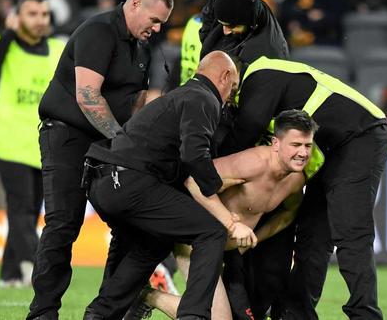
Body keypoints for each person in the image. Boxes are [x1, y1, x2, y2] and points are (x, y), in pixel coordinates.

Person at [26, 0, 173, 320]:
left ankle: (109, 311)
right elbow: (88, 96)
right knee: (63, 224)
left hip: (106, 142)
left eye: (161, 23)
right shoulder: (99, 31)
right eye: (153, 19)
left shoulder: (141, 47)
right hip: (68, 137)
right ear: (134, 3)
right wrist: (124, 143)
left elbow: (133, 102)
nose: (156, 28)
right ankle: (43, 313)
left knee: (131, 224)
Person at [82, 51, 254, 320]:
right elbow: (195, 156)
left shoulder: (181, 95)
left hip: (102, 179)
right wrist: (217, 191)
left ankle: (101, 313)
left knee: (151, 242)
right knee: (211, 232)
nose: (230, 96)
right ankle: (193, 315)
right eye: (232, 88)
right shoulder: (204, 98)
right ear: (225, 76)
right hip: (131, 181)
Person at [220, 56, 387, 320]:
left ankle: (365, 316)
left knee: (351, 232)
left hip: (363, 135)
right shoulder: (269, 78)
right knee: (312, 235)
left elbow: (246, 131)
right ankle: (295, 315)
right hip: (332, 146)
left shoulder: (260, 75)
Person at [133, 109, 317, 320]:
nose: (303, 153)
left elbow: (288, 214)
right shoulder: (252, 163)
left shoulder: (296, 180)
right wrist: (231, 224)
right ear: (275, 143)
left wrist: (255, 239)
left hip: (229, 253)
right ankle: (144, 294)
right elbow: (193, 182)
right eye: (295, 145)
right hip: (196, 244)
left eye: (307, 146)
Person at [0, 0, 65, 288]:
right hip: (8, 138)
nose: (40, 20)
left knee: (31, 209)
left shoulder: (57, 49)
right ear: (17, 16)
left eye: (44, 14)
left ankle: (9, 274)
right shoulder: (1, 46)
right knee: (22, 206)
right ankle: (38, 269)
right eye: (32, 14)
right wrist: (9, 32)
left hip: (41, 142)